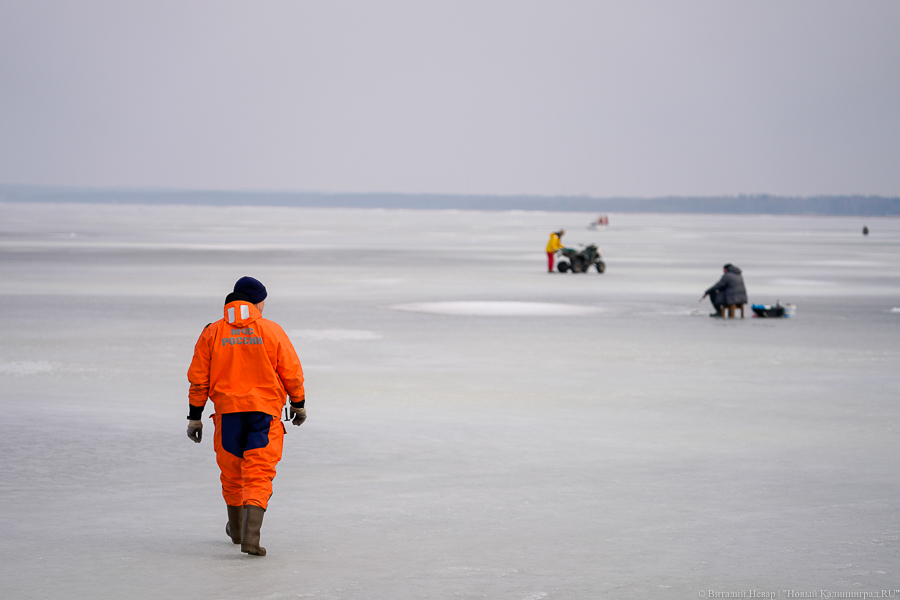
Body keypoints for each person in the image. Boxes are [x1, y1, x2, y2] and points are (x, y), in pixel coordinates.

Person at [186, 276, 306, 557]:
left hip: (227, 414)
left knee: (232, 473)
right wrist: (298, 404)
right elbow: (291, 371)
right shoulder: (271, 330)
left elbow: (199, 379)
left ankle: (237, 529)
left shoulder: (212, 332)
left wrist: (195, 417)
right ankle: (251, 535)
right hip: (264, 414)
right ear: (257, 302)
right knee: (259, 473)